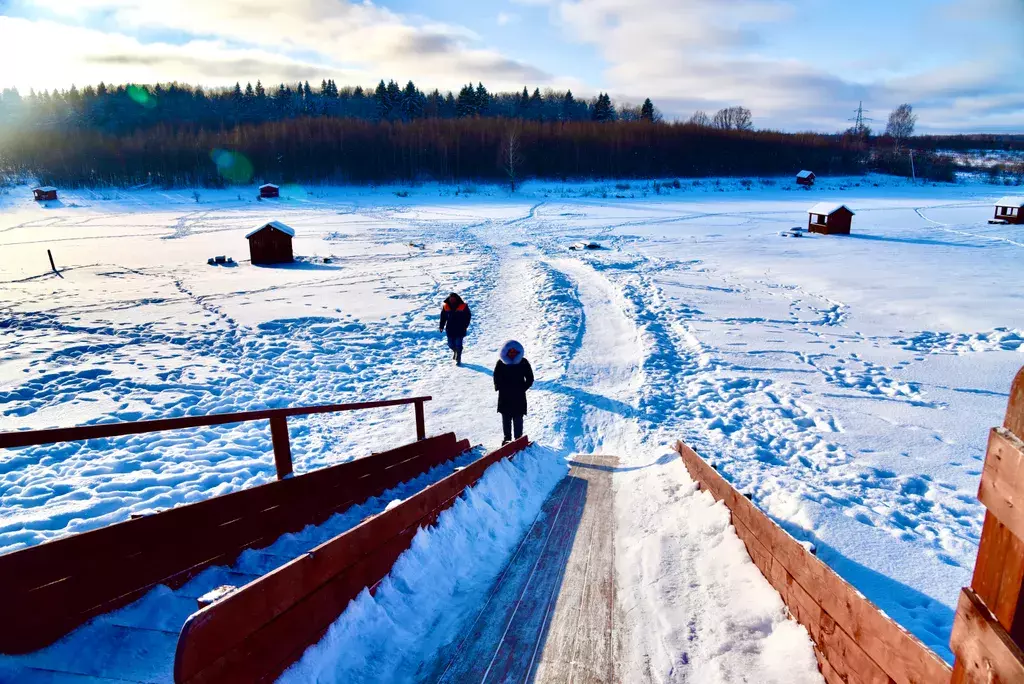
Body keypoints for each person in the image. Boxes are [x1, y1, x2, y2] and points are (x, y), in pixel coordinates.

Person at [493, 340, 534, 445]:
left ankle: (518, 439)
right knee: (506, 418)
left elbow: (530, 378)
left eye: (514, 352)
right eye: (510, 352)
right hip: (504, 396)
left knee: (518, 418)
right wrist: (499, 387)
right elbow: (496, 377)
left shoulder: (523, 362)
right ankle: (507, 439)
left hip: (518, 396)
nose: (512, 354)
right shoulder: (501, 363)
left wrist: (522, 388)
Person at [439, 292, 471, 366]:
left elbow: (468, 316)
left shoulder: (463, 306)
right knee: (450, 344)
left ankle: (458, 358)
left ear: (456, 299)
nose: (452, 300)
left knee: (458, 344)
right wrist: (441, 326)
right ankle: (455, 351)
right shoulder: (446, 306)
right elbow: (443, 317)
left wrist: (465, 325)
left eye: (453, 299)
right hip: (450, 329)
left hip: (460, 329)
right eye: (451, 299)